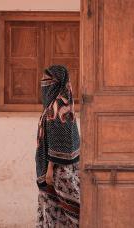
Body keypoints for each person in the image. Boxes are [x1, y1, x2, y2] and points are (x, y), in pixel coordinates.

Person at [35, 65, 80, 227]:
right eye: (43, 80)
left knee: (64, 210)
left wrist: (49, 170)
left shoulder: (57, 106)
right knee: (60, 210)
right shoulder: (63, 102)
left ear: (58, 82)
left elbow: (57, 142)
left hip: (58, 170)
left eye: (47, 80)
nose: (43, 84)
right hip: (68, 167)